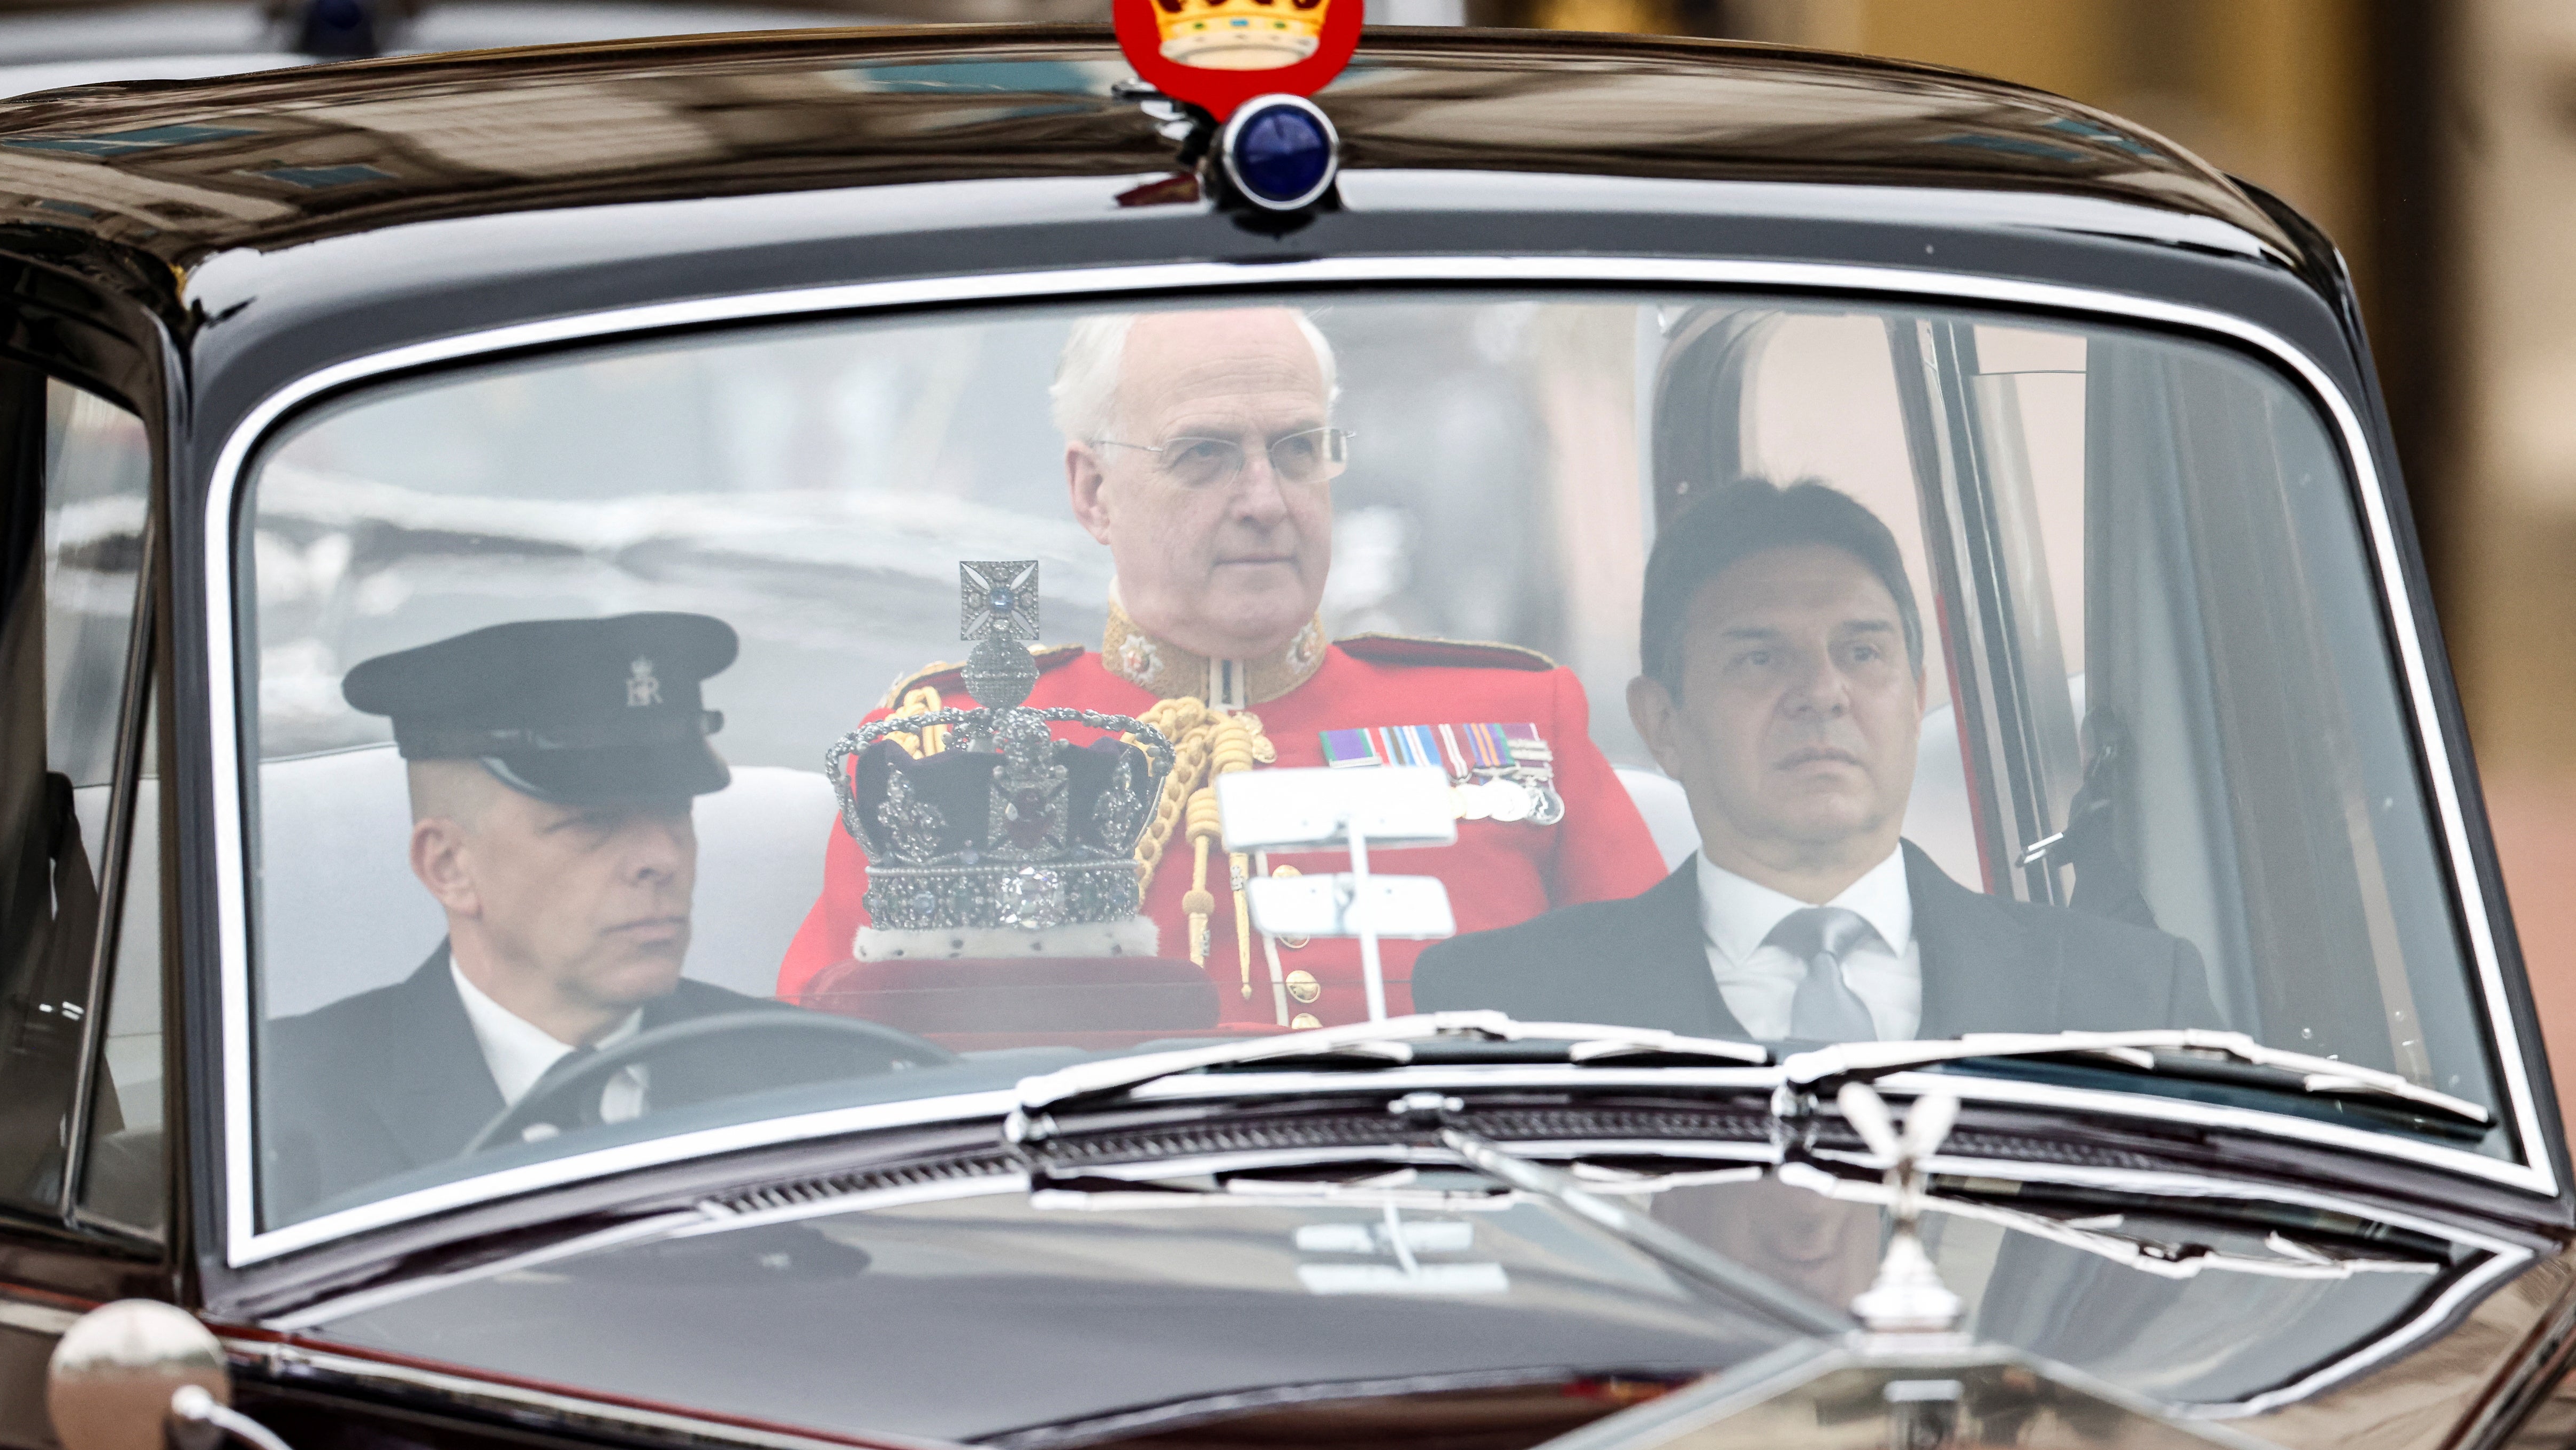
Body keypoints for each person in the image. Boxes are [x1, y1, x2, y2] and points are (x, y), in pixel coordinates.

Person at [777, 306, 1666, 1027]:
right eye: (1204, 454)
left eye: (1296, 450)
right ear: (1093, 494)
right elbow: (844, 1069)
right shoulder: (947, 745)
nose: (1264, 501)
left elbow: (1668, 1027)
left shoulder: (1515, 719)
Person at [1412, 477, 2219, 1041]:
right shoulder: (1500, 1009)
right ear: (1661, 723)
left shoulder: (2134, 998)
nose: (1822, 691)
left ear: (1913, 695)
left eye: (1862, 651)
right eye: (1760, 660)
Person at [262, 613, 782, 1213]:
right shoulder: (280, 1107)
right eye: (592, 821)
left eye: (675, 811)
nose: (663, 857)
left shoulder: (814, 1073)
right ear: (449, 867)